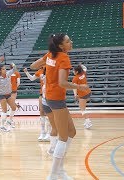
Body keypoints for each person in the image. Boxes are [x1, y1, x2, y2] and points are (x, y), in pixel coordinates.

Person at [30, 33, 89, 180]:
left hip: (48, 97)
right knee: (63, 137)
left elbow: (33, 66)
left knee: (72, 132)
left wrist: (48, 64)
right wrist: (80, 87)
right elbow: (62, 83)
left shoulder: (50, 54)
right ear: (61, 46)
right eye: (68, 41)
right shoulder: (63, 58)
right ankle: (53, 175)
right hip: (56, 98)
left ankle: (60, 171)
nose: (71, 42)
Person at [24, 66, 51, 142]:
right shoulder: (40, 70)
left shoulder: (51, 69)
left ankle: (49, 133)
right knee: (41, 112)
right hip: (42, 93)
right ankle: (42, 132)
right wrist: (26, 72)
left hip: (50, 93)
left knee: (49, 114)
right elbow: (32, 78)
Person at [0, 63, 18, 132]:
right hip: (2, 95)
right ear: (0, 71)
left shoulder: (8, 74)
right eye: (3, 69)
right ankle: (2, 126)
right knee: (4, 111)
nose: (5, 70)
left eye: (5, 68)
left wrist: (13, 65)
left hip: (9, 94)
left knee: (14, 108)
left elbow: (14, 69)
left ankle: (9, 120)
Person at [72, 64, 92, 129]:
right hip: (88, 92)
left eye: (73, 70)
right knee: (83, 107)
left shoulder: (75, 78)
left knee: (82, 109)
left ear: (77, 71)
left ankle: (88, 121)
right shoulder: (83, 73)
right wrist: (80, 65)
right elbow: (85, 68)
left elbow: (74, 87)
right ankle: (87, 121)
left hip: (82, 94)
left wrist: (75, 95)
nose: (73, 71)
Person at [9, 63, 21, 128]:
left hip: (7, 91)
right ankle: (10, 121)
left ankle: (10, 121)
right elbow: (18, 82)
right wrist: (15, 87)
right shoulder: (17, 73)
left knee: (10, 105)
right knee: (12, 106)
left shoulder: (8, 73)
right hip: (14, 90)